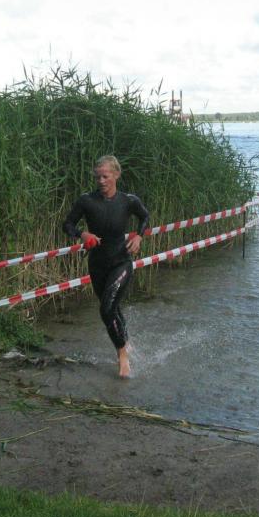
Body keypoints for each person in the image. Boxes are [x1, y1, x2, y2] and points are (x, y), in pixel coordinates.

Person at [63, 155, 149, 378]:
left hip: (121, 261)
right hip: (97, 264)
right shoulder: (86, 201)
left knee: (106, 308)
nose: (101, 181)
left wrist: (139, 236)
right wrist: (82, 234)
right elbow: (67, 224)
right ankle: (125, 341)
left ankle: (122, 355)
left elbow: (145, 216)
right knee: (111, 308)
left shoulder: (128, 201)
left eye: (105, 176)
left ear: (116, 175)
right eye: (97, 177)